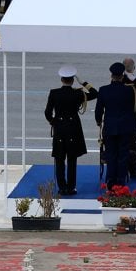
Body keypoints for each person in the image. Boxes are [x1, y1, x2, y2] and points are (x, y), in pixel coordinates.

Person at [44, 66, 98, 196]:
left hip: (60, 128)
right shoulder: (78, 93)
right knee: (72, 159)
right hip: (73, 128)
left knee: (59, 158)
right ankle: (71, 187)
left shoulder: (54, 93)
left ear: (61, 79)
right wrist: (83, 83)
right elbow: (95, 93)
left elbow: (47, 112)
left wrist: (54, 122)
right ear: (73, 80)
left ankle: (62, 187)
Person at [95, 62, 136, 189]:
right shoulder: (130, 90)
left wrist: (99, 121)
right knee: (123, 156)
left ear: (111, 75)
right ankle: (121, 181)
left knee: (111, 155)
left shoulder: (103, 90)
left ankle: (110, 181)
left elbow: (99, 110)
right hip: (125, 128)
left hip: (110, 127)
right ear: (122, 75)